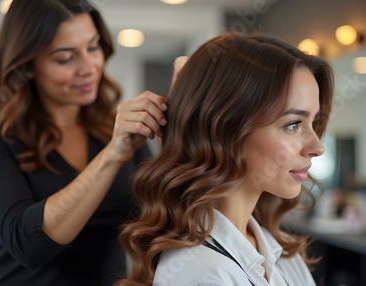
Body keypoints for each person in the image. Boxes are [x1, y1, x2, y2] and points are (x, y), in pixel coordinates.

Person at [0, 0, 168, 285]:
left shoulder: (118, 129)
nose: (89, 67)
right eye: (65, 58)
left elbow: (162, 214)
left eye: (93, 46)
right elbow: (27, 244)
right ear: (28, 66)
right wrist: (112, 155)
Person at [116, 32, 334, 286]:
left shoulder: (280, 254)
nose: (317, 147)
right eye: (294, 124)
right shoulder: (201, 275)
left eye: (313, 122)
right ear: (226, 131)